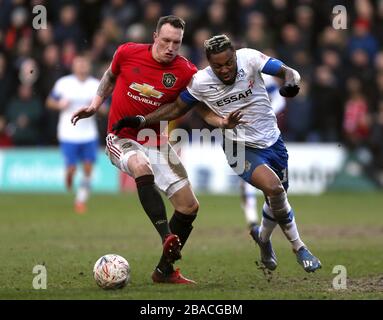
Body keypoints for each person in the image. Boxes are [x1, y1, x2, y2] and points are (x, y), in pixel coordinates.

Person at [112, 34, 322, 273]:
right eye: (217, 65)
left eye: (228, 63)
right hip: (238, 148)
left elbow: (288, 71)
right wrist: (141, 120)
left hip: (273, 142)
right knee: (274, 188)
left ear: (235, 55)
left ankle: (263, 238)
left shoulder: (250, 58)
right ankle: (299, 247)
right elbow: (176, 108)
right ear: (209, 63)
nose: (224, 69)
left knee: (278, 197)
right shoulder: (201, 81)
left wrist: (291, 82)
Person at [71, 16, 218, 284]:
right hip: (121, 137)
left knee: (189, 206)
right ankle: (166, 237)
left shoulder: (186, 72)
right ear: (154, 36)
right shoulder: (127, 52)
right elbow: (109, 76)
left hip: (156, 140)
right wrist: (94, 104)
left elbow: (199, 105)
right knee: (140, 166)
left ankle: (164, 271)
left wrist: (222, 121)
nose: (171, 47)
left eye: (177, 42)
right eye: (166, 41)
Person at [46, 55, 101, 214]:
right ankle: (69, 175)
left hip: (88, 134)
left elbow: (105, 108)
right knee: (71, 168)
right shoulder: (64, 83)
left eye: (85, 63)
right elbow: (49, 102)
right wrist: (59, 104)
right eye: (79, 63)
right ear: (73, 66)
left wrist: (97, 107)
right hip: (68, 133)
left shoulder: (95, 85)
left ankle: (80, 201)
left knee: (88, 168)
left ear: (89, 66)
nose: (82, 66)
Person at [241, 74, 286, 229]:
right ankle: (252, 220)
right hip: (241, 133)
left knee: (274, 181)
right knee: (246, 176)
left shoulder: (262, 76)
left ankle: (266, 222)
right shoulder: (224, 78)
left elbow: (280, 99)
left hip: (266, 134)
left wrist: (266, 115)